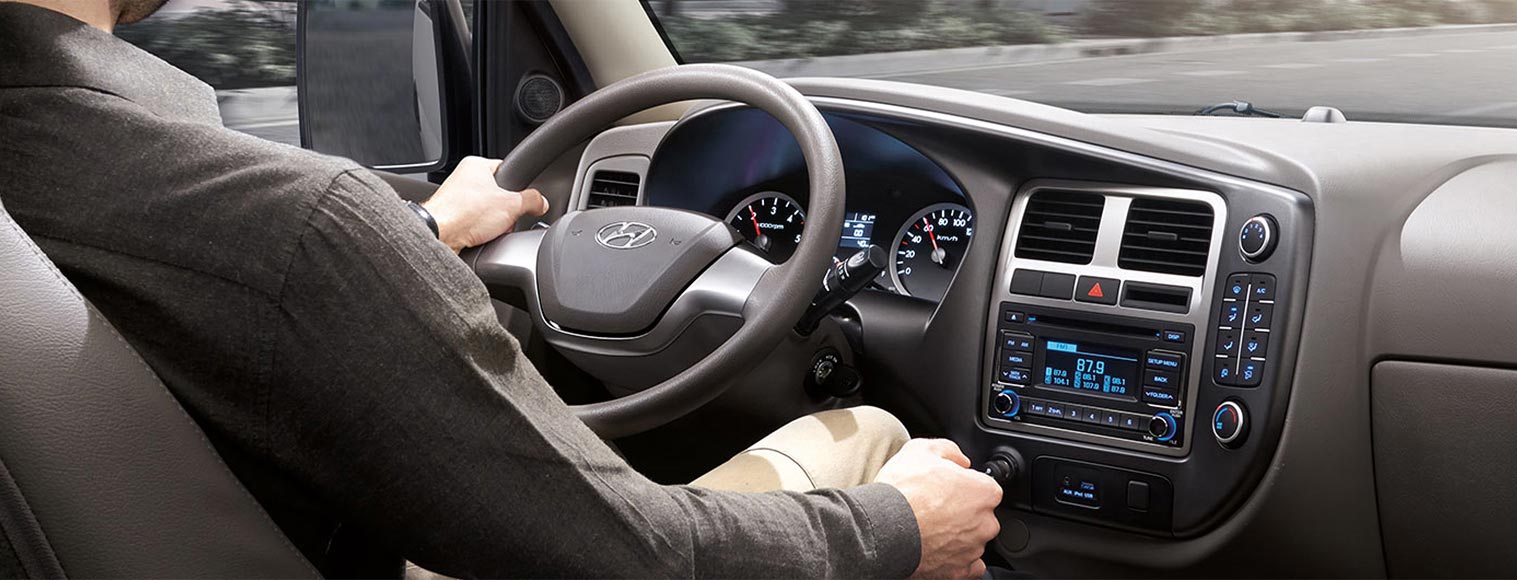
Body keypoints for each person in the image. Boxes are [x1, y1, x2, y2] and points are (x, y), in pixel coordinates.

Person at [0, 0, 1005, 578]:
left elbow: (218, 283)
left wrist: (424, 231)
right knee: (875, 443)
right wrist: (902, 527)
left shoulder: (90, 191)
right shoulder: (300, 228)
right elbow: (633, 558)